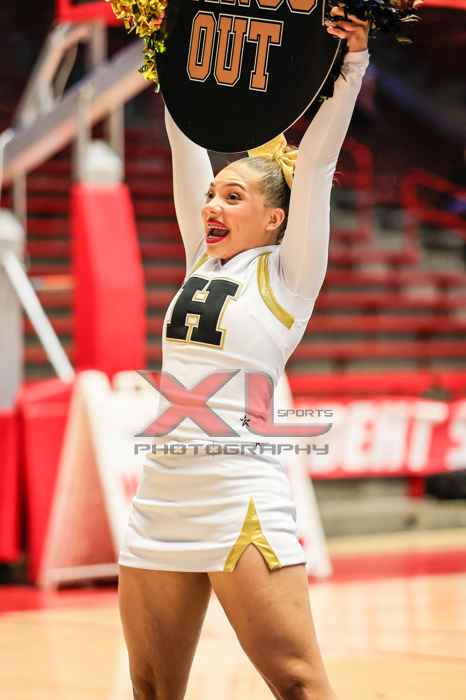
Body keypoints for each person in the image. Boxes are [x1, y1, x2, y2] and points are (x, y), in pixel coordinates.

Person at [118, 10, 370, 700]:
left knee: (298, 683)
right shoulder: (200, 258)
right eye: (211, 194)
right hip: (161, 497)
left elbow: (316, 165)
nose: (212, 205)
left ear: (275, 218)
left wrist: (352, 64)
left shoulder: (288, 278)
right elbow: (183, 136)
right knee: (150, 687)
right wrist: (164, 42)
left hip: (238, 496)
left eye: (233, 196)